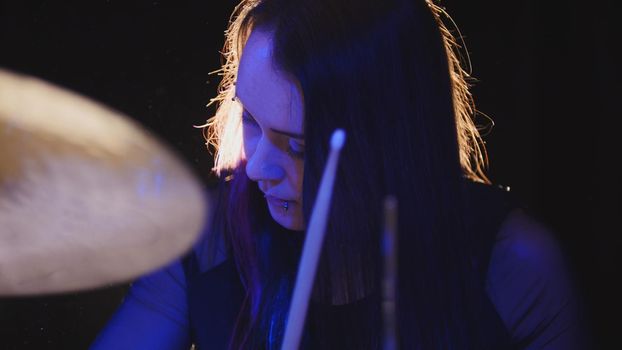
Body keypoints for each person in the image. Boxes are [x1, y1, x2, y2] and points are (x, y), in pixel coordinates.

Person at [91, 0, 584, 348]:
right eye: (250, 120)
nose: (257, 167)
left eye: (298, 145)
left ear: (393, 143)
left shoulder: (511, 267)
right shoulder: (206, 238)